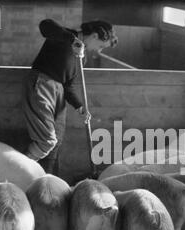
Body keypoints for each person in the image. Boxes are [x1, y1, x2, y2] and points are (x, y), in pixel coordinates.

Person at [20, 19, 118, 174]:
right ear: (93, 36)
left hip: (58, 92)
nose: (98, 50)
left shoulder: (81, 58)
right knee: (47, 141)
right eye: (100, 46)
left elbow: (68, 86)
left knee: (56, 141)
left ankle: (47, 178)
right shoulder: (64, 36)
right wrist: (73, 40)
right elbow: (45, 25)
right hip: (43, 84)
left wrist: (80, 107)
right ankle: (18, 168)